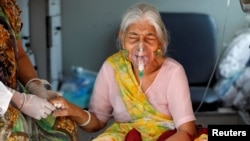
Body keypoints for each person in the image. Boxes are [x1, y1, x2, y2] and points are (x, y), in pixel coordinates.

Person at [50, 2, 204, 141]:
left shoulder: (173, 72)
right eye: (133, 37)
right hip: (123, 135)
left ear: (160, 41)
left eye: (149, 38)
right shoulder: (112, 67)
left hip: (166, 136)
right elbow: (97, 121)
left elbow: (186, 130)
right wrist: (73, 110)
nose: (141, 46)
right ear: (122, 39)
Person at [0, 0, 77, 140]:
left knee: (61, 122)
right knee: (14, 129)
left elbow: (20, 55)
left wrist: (35, 85)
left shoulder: (6, 5)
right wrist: (19, 99)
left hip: (12, 89)